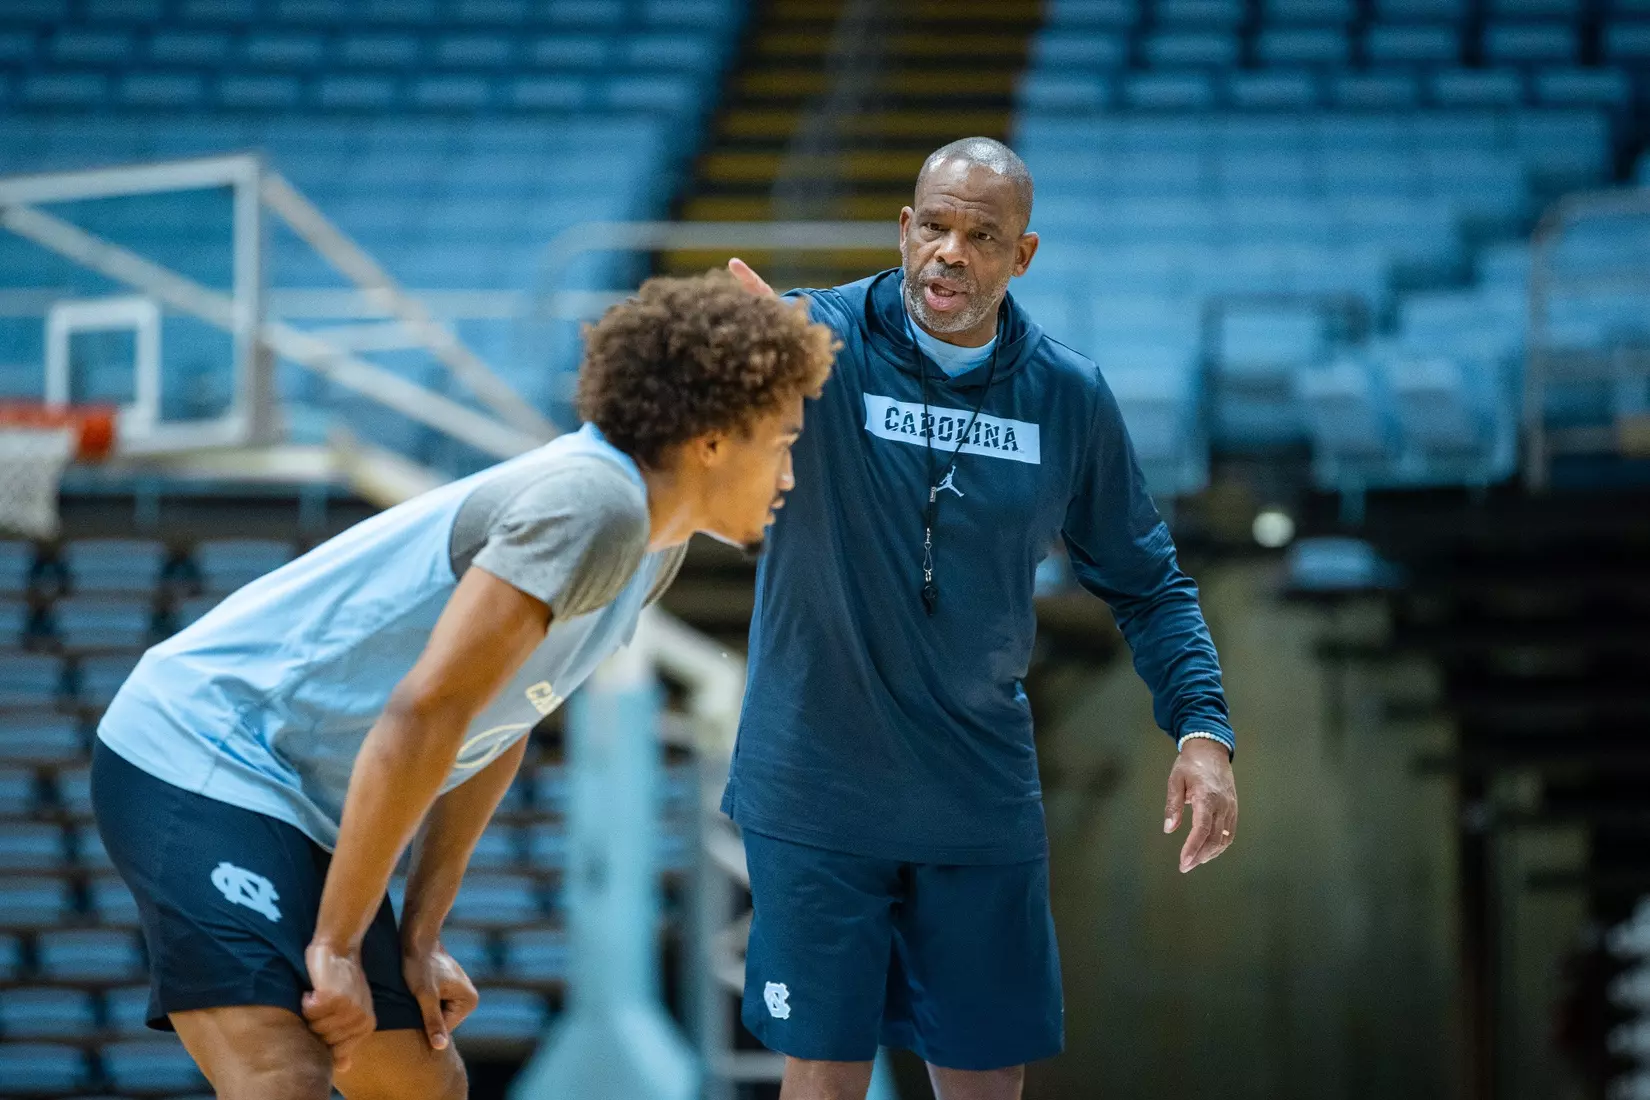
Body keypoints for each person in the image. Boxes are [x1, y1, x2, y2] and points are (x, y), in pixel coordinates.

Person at [91, 272, 835, 1100]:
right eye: (781, 439)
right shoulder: (596, 505)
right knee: (281, 1072)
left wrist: (419, 933)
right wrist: (336, 946)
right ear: (713, 438)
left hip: (298, 795)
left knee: (424, 1083)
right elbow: (424, 711)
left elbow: (498, 720)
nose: (789, 472)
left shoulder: (648, 548)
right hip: (201, 749)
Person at [722, 138, 1241, 1100]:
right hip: (815, 784)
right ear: (906, 230)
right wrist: (725, 362)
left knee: (983, 1081)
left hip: (974, 793)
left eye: (982, 235)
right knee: (824, 1074)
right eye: (936, 227)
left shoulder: (1068, 397)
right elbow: (695, 425)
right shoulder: (814, 342)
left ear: (1022, 256)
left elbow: (1148, 581)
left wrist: (1203, 726)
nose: (950, 252)